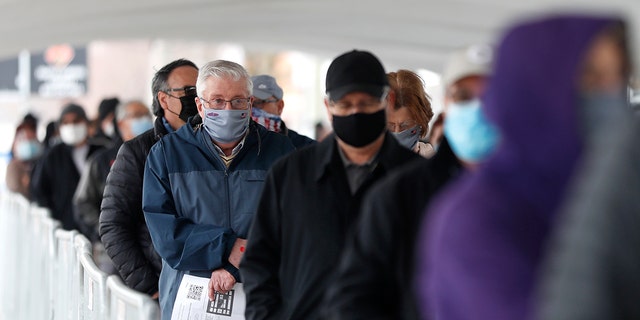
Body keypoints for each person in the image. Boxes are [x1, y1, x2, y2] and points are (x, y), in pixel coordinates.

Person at [415, 15, 631, 320]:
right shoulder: (474, 222)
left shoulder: (592, 190)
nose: (609, 96)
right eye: (591, 78)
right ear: (537, 89)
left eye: (618, 77)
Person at [240, 50, 421, 319]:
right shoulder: (290, 175)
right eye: (345, 105)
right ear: (328, 106)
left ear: (388, 101)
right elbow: (259, 263)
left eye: (367, 103)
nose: (356, 112)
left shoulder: (418, 179)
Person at [324, 45, 494, 319]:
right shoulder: (400, 192)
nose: (477, 107)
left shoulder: (544, 189)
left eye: (491, 97)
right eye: (464, 97)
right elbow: (355, 294)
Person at [142, 60, 295, 319]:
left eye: (238, 101)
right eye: (217, 101)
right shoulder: (167, 155)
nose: (228, 109)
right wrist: (227, 246)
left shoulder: (280, 153)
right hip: (189, 299)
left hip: (264, 296)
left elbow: (293, 224)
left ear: (249, 103)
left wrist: (236, 264)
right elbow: (165, 234)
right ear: (200, 105)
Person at [100, 59, 199, 297]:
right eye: (188, 91)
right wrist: (149, 286)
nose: (196, 98)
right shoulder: (137, 152)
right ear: (163, 99)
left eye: (201, 90)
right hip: (162, 284)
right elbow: (113, 224)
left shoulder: (215, 145)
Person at [73, 100, 152, 273]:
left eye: (147, 115)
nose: (144, 120)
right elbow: (84, 201)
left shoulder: (158, 154)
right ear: (121, 123)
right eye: (137, 116)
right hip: (113, 251)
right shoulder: (101, 160)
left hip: (151, 249)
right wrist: (106, 232)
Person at [31, 103, 104, 230]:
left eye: (76, 121)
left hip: (99, 226)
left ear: (86, 123)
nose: (72, 126)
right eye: (66, 122)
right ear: (60, 128)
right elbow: (39, 190)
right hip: (65, 228)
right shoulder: (52, 156)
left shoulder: (101, 152)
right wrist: (53, 219)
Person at [250, 74, 315, 148]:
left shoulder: (305, 148)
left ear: (279, 106)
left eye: (258, 103)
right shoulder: (236, 149)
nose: (251, 110)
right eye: (246, 103)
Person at [386, 69, 435, 158]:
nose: (397, 132)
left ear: (421, 121)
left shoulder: (433, 162)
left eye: (405, 125)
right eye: (390, 126)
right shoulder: (363, 166)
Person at [6, 121, 43, 200]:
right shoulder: (14, 166)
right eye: (25, 140)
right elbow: (15, 190)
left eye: (32, 139)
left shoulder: (41, 163)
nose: (29, 143)